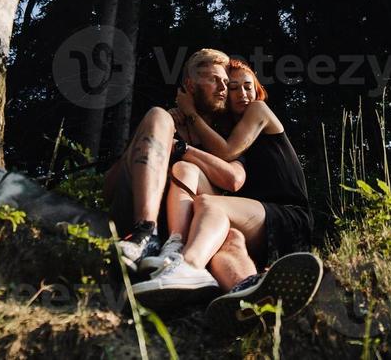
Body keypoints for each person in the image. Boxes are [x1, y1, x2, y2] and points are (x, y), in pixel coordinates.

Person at [131, 58, 322, 331]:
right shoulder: (225, 132)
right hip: (253, 219)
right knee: (226, 238)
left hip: (288, 216)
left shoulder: (258, 111)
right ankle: (245, 292)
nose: (243, 94)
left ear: (257, 90)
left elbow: (226, 152)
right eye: (234, 88)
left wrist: (189, 115)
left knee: (210, 205)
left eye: (248, 86)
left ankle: (188, 265)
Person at [103, 48, 245, 274]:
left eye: (227, 83)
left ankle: (246, 291)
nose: (223, 88)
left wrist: (180, 147)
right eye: (213, 80)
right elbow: (108, 190)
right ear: (190, 86)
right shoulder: (163, 123)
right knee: (158, 115)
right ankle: (145, 233)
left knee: (232, 235)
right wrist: (144, 140)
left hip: (194, 231)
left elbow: (234, 179)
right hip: (135, 223)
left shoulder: (226, 137)